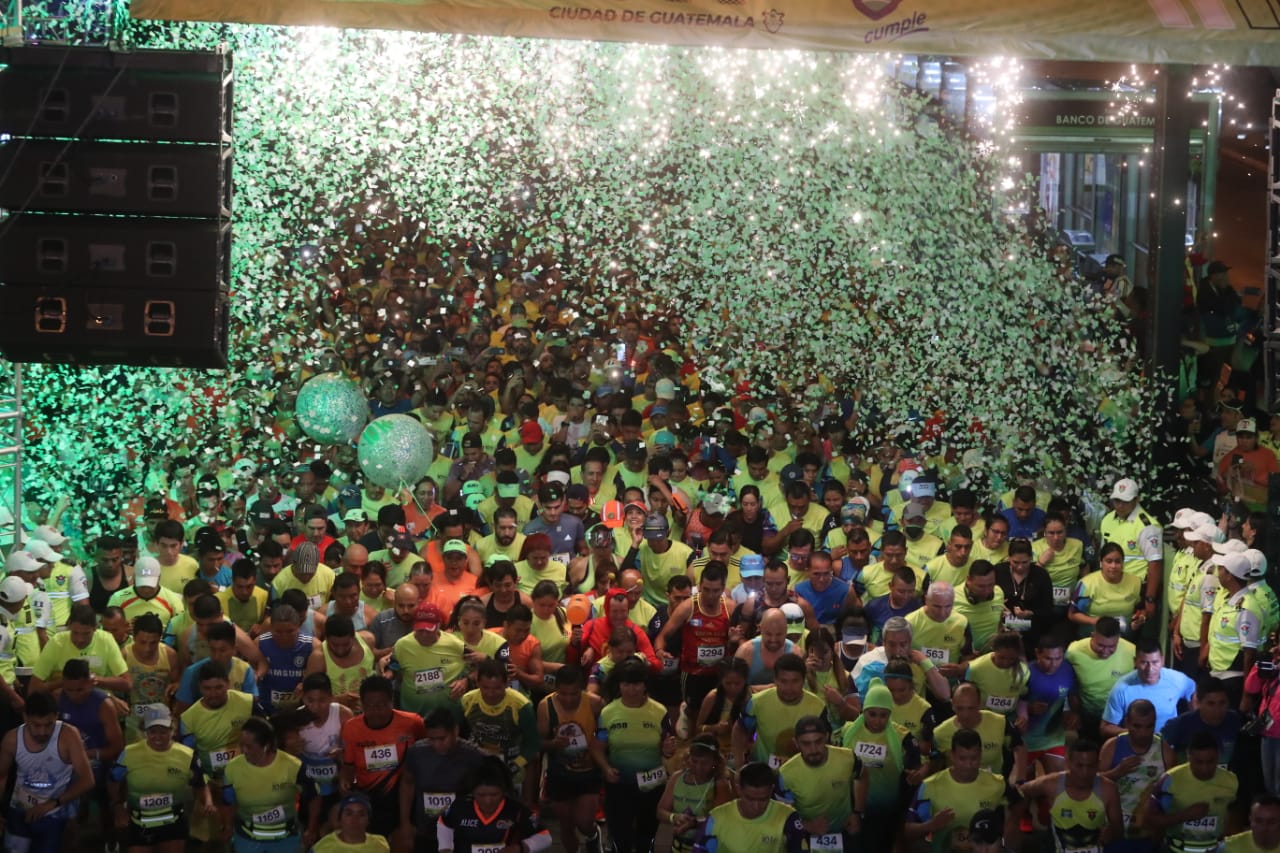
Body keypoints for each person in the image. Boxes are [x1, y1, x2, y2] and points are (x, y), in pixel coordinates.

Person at [589, 658, 676, 853]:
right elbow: (597, 747)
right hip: (620, 785)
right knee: (621, 839)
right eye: (626, 684)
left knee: (646, 840)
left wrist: (668, 749)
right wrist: (606, 768)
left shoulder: (659, 711)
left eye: (636, 684)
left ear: (645, 685)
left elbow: (669, 746)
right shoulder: (608, 712)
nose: (631, 689)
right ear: (619, 685)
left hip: (652, 786)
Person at [0, 690, 96, 853]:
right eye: (36, 725)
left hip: (53, 813)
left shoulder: (68, 735)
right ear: (25, 718)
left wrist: (51, 804)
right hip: (19, 809)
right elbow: (1, 776)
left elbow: (87, 780)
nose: (43, 732)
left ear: (56, 717)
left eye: (49, 724)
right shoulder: (12, 739)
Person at [110, 703, 211, 853]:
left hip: (174, 822)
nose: (158, 737)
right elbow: (113, 780)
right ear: (145, 731)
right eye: (152, 731)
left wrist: (207, 802)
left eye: (163, 731)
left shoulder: (187, 755)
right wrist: (118, 807)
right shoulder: (129, 753)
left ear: (173, 730)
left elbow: (199, 783)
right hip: (139, 823)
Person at [906, 728, 1022, 853]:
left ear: (981, 755)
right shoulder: (929, 786)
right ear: (952, 755)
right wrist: (930, 825)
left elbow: (1019, 803)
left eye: (974, 758)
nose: (968, 765)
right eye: (962, 759)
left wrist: (1010, 832)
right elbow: (907, 830)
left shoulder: (997, 784)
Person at [340, 675, 427, 839]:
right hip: (370, 797)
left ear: (391, 701)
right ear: (362, 704)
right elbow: (348, 767)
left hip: (405, 796)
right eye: (370, 706)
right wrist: (344, 781)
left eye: (381, 705)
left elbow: (425, 752)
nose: (376, 711)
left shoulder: (413, 722)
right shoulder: (351, 728)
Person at [841, 679, 925, 850]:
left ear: (890, 714)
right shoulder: (847, 732)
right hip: (851, 810)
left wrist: (917, 774)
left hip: (886, 812)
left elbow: (915, 772)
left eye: (883, 715)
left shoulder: (904, 738)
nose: (878, 721)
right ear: (864, 711)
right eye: (872, 714)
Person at [221, 716, 316, 852]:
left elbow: (314, 797)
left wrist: (311, 829)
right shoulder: (232, 768)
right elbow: (228, 802)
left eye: (249, 747)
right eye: (241, 745)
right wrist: (228, 827)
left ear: (266, 745)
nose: (244, 751)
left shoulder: (293, 766)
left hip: (286, 838)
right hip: (247, 838)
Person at [398, 706, 485, 853]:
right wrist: (405, 822)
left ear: (455, 731)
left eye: (442, 738)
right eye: (432, 739)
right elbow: (407, 784)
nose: (437, 744)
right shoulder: (417, 752)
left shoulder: (474, 756)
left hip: (460, 834)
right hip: (425, 832)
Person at [536, 664, 603, 853]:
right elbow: (539, 742)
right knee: (566, 825)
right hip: (559, 772)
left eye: (573, 693)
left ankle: (592, 834)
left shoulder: (595, 703)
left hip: (588, 771)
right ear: (556, 689)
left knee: (584, 822)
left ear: (581, 689)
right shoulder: (545, 706)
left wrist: (594, 755)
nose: (568, 698)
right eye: (563, 693)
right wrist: (553, 744)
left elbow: (606, 737)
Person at [652, 561, 732, 716]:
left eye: (715, 591)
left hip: (720, 674)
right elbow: (662, 636)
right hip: (693, 674)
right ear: (700, 586)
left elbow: (739, 642)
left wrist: (735, 639)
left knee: (717, 714)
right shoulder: (687, 607)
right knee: (692, 713)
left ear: (722, 589)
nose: (710, 595)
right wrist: (659, 650)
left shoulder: (730, 607)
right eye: (706, 590)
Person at [1017, 738, 1123, 852]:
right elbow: (1021, 791)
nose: (1085, 773)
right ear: (1068, 763)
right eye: (1079, 766)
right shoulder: (1050, 784)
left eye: (1090, 766)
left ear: (1098, 764)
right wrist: (1015, 821)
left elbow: (1118, 830)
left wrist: (1111, 832)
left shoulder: (1108, 789)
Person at [1144, 730, 1239, 853]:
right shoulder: (1170, 780)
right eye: (1198, 762)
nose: (1204, 768)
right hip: (1175, 849)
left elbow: (1236, 819)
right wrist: (1184, 816)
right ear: (1188, 756)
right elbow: (1149, 820)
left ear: (1218, 756)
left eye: (1210, 762)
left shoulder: (1231, 781)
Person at [436, 755, 551, 853]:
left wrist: (520, 847)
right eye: (481, 795)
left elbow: (545, 836)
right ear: (472, 791)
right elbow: (444, 823)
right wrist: (445, 847)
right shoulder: (460, 807)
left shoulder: (516, 810)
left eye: (494, 795)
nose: (488, 801)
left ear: (503, 790)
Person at [732, 652, 825, 769]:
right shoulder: (757, 702)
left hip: (803, 773)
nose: (789, 688)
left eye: (795, 681)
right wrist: (739, 764)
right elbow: (740, 730)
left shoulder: (818, 707)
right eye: (783, 681)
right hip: (763, 773)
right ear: (775, 679)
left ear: (803, 680)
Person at [777, 715, 857, 847]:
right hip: (806, 837)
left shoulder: (848, 757)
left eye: (818, 741)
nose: (813, 750)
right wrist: (807, 826)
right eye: (806, 744)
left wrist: (857, 813)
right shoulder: (786, 774)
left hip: (845, 832)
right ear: (796, 743)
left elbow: (862, 775)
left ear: (826, 737)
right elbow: (782, 816)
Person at [692, 761, 806, 853]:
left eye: (763, 799)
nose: (756, 807)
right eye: (750, 799)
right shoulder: (716, 819)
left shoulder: (788, 818)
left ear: (771, 790)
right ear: (738, 790)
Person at [1099, 698, 1167, 851]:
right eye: (1137, 726)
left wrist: (1161, 829)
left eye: (1149, 726)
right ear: (1127, 723)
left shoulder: (1165, 751)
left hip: (1147, 832)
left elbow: (1171, 795)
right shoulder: (1112, 746)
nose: (1143, 733)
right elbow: (1094, 785)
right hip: (1113, 828)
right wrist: (1116, 772)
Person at [928, 683, 1026, 783]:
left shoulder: (1000, 722)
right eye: (960, 708)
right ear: (952, 705)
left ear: (980, 704)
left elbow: (1019, 746)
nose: (966, 715)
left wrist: (1019, 777)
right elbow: (934, 766)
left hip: (994, 789)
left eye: (971, 708)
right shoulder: (940, 733)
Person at [1101, 639, 1197, 738]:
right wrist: (1134, 733)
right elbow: (1105, 728)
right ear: (1135, 662)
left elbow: (1194, 694)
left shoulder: (1177, 680)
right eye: (1144, 662)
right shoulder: (1121, 689)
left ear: (1162, 661)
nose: (1150, 669)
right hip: (1134, 747)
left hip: (1168, 745)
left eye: (1155, 662)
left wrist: (1193, 724)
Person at [29, 602, 130, 694]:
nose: (80, 639)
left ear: (95, 628)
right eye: (75, 633)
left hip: (97, 699)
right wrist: (65, 682)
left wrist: (94, 680)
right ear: (69, 627)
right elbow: (34, 688)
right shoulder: (56, 642)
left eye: (86, 634)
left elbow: (127, 683)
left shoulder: (106, 639)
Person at [389, 603, 468, 719]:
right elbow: (394, 667)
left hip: (449, 717)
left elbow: (478, 665)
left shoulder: (456, 645)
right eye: (420, 630)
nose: (424, 635)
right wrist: (388, 673)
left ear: (438, 625)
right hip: (413, 717)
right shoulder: (402, 645)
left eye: (428, 630)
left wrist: (466, 681)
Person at [657, 734, 731, 853]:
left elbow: (721, 820)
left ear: (715, 762)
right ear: (688, 757)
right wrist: (674, 817)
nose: (698, 767)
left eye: (704, 763)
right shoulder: (677, 778)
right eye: (694, 761)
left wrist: (694, 823)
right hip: (677, 847)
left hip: (707, 847)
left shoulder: (720, 784)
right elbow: (660, 811)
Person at [1066, 616, 1136, 739]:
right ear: (1092, 636)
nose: (1105, 651)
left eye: (1111, 647)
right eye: (1100, 645)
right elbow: (1068, 683)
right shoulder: (1074, 651)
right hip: (1087, 714)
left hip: (1118, 717)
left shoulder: (1132, 651)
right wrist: (1073, 712)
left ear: (1119, 639)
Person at [298, 673, 353, 820]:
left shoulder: (343, 715)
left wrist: (342, 753)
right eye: (310, 700)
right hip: (309, 784)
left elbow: (353, 751)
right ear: (303, 698)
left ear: (331, 697)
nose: (315, 707)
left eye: (322, 700)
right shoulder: (297, 720)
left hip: (337, 781)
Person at [1023, 632, 1077, 774]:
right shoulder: (1025, 673)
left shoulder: (1067, 670)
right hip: (1025, 740)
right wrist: (1028, 708)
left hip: (1053, 737)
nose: (1053, 664)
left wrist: (1070, 712)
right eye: (1048, 658)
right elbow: (1011, 703)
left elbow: (1070, 696)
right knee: (1025, 788)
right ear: (1037, 654)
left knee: (1057, 783)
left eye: (1058, 658)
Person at [1161, 676, 1242, 767]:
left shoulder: (1234, 720)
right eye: (1210, 704)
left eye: (1222, 703)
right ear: (1199, 703)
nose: (1217, 710)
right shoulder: (1181, 724)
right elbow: (1157, 743)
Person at [905, 581, 972, 682]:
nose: (942, 612)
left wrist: (959, 668)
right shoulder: (910, 622)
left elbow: (969, 657)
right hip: (917, 684)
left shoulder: (962, 623)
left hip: (949, 683)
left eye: (948, 606)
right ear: (926, 600)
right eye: (937, 606)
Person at [311, 792, 390, 853]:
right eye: (349, 814)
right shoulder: (323, 847)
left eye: (361, 814)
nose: (355, 819)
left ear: (368, 820)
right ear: (340, 818)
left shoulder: (380, 845)